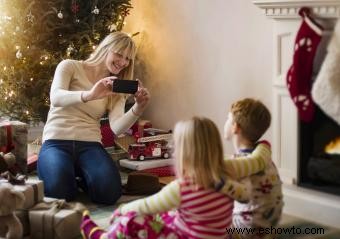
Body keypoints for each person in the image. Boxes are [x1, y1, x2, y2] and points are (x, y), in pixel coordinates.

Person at [80, 117, 272, 239]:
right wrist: (263, 146)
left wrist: (121, 211)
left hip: (186, 235)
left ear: (183, 154)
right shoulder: (228, 175)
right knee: (167, 215)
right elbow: (250, 182)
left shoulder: (182, 188)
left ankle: (103, 237)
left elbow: (145, 206)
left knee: (132, 220)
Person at [37, 32, 150, 204]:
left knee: (110, 193)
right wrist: (90, 95)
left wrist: (138, 107)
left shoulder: (115, 86)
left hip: (90, 145)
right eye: (119, 54)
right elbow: (56, 97)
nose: (123, 62)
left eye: (128, 58)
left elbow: (117, 128)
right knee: (59, 194)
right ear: (105, 48)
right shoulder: (70, 66)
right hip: (56, 141)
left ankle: (81, 176)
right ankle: (72, 175)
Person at [223, 98, 283, 239]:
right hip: (271, 226)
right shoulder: (264, 156)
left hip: (245, 230)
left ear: (235, 127)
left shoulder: (236, 165)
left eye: (227, 118)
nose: (225, 122)